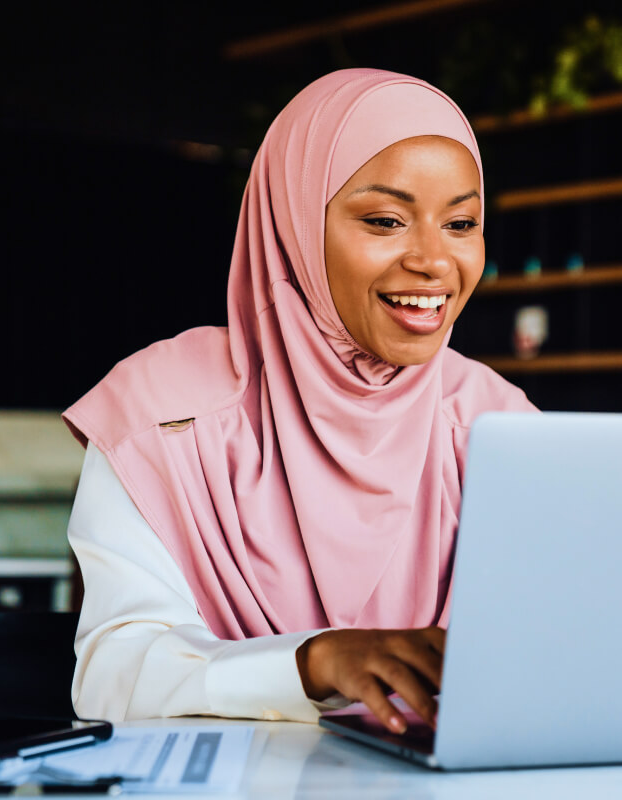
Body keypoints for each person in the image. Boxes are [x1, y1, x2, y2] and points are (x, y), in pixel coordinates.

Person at [63, 69, 536, 734]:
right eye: (385, 220)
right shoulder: (163, 416)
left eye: (461, 222)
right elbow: (112, 675)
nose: (434, 260)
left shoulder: (497, 423)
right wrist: (311, 664)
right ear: (292, 224)